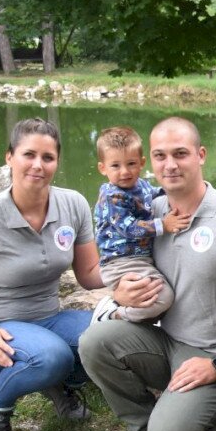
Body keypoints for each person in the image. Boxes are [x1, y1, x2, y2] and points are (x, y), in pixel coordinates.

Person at [81, 117, 216, 431]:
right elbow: (121, 261)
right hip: (167, 342)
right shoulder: (149, 212)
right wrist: (120, 293)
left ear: (201, 155)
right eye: (160, 156)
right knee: (94, 343)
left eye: (180, 154)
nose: (170, 165)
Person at [0, 118, 104, 431]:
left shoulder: (73, 204)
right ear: (9, 157)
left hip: (48, 319)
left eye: (48, 157)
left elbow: (90, 274)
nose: (38, 165)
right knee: (52, 356)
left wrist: (134, 271)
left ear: (57, 162)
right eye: (28, 155)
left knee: (109, 335)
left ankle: (56, 383)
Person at [90, 125, 178, 323]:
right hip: (120, 262)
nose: (124, 172)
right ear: (103, 168)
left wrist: (175, 191)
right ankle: (113, 314)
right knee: (163, 297)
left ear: (141, 163)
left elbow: (156, 193)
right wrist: (163, 225)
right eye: (115, 166)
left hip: (140, 258)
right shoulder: (112, 196)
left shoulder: (141, 185)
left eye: (131, 163)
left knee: (159, 296)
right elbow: (129, 228)